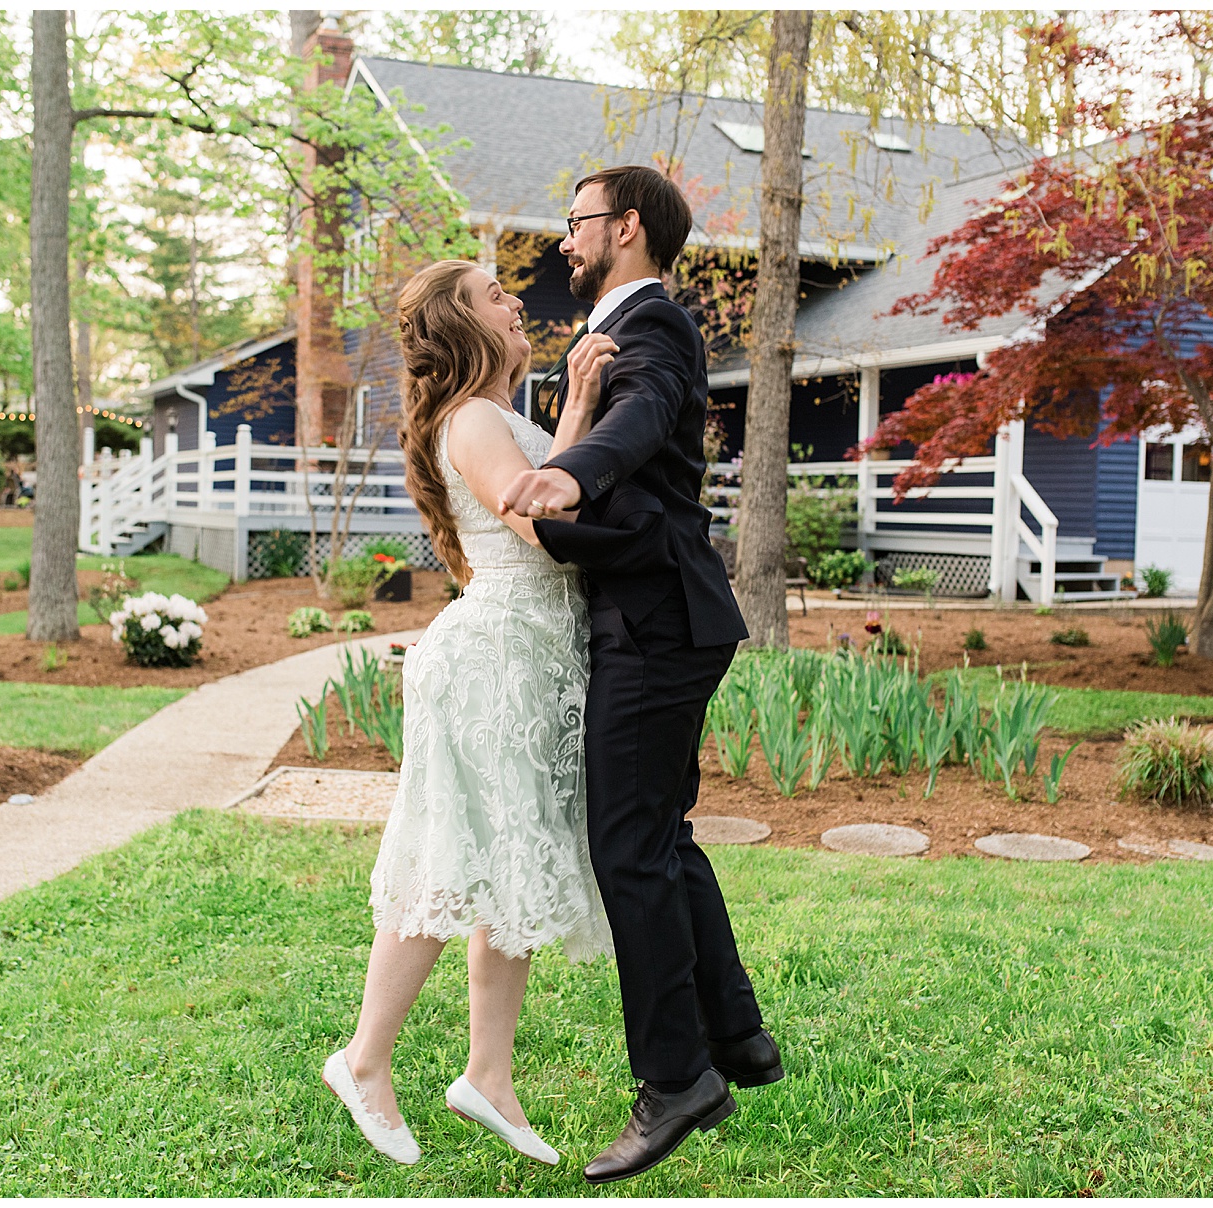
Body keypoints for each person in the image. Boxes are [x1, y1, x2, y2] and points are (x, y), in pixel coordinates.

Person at [500, 165, 784, 1185]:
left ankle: (677, 1080)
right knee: (660, 836)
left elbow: (645, 412)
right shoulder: (614, 333)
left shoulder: (650, 328)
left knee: (628, 848)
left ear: (623, 228)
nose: (561, 241)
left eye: (572, 223)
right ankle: (737, 1037)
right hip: (662, 612)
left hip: (656, 619)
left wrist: (572, 470)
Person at [322, 259, 619, 1167]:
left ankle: (487, 1075)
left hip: (530, 657)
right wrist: (579, 413)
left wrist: (572, 417)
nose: (516, 300)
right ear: (462, 324)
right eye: (496, 294)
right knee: (451, 860)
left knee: (510, 865)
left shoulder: (496, 412)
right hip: (491, 660)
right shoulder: (477, 417)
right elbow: (541, 522)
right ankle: (364, 1061)